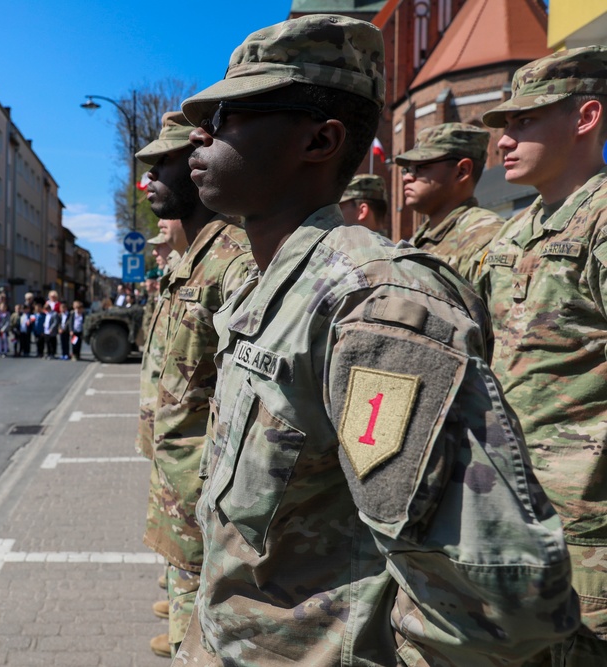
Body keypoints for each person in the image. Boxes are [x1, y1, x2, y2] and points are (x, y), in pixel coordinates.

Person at [174, 14, 577, 665]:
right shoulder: (269, 288)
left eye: (230, 116)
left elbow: (496, 602)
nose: (200, 134)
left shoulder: (374, 302)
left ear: (321, 139)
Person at [477, 45, 607, 666]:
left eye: (523, 121)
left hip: (592, 536)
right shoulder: (514, 231)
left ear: (585, 117)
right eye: (504, 125)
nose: (504, 140)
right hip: (518, 519)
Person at [135, 110, 253, 658]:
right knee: (189, 596)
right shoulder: (198, 260)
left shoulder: (236, 260)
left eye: (161, 164)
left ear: (199, 164)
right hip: (182, 481)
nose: (145, 181)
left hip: (211, 492)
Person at [395, 122, 504, 281]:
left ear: (462, 171)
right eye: (407, 169)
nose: (407, 177)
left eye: (421, 167)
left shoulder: (485, 237)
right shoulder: (421, 238)